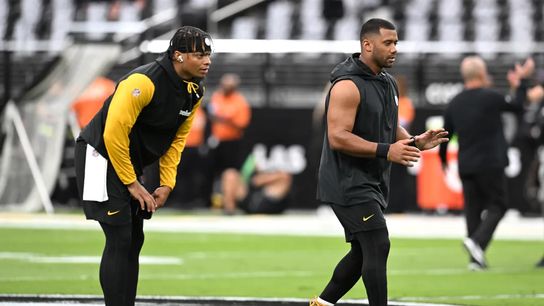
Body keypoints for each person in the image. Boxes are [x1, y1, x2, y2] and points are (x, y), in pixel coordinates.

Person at [312, 18, 448, 306]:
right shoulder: (347, 85)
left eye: (396, 42)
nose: (395, 48)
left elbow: (387, 124)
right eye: (388, 43)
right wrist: (387, 151)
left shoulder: (387, 82)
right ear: (367, 45)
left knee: (363, 252)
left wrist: (414, 141)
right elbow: (337, 137)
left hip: (370, 179)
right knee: (377, 243)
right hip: (345, 180)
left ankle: (320, 304)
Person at [73, 26, 212, 306]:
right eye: (199, 54)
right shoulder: (143, 82)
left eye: (209, 54)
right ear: (178, 56)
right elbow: (113, 133)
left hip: (126, 161)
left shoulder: (194, 91)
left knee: (135, 240)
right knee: (119, 237)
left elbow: (177, 140)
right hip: (99, 156)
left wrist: (166, 182)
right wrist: (132, 183)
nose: (207, 61)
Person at [439, 56, 534, 271]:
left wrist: (443, 160)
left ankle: (475, 260)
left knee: (472, 211)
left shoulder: (456, 102)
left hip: (466, 164)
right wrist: (521, 83)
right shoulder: (491, 97)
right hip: (491, 162)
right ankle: (477, 242)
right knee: (498, 205)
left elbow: (444, 135)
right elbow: (518, 106)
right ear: (482, 74)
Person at [206, 73, 252, 213]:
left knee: (231, 173)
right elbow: (213, 114)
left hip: (232, 142)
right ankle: (215, 203)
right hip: (217, 141)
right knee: (213, 174)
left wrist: (224, 119)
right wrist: (225, 119)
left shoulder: (240, 102)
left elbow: (241, 123)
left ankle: (230, 205)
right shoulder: (216, 97)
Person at [222, 153, 293, 214]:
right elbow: (243, 176)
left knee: (284, 178)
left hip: (268, 197)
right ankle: (229, 211)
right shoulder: (251, 160)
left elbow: (285, 176)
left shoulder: (275, 169)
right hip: (249, 196)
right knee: (230, 174)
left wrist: (261, 180)